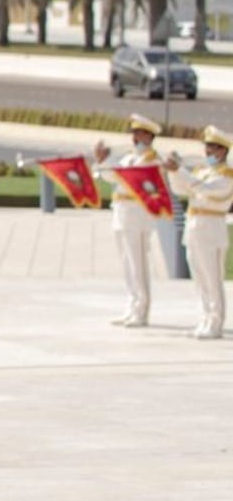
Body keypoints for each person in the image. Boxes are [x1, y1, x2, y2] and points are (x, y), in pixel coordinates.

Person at [95, 113, 166, 327]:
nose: (135, 138)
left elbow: (126, 176)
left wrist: (108, 162)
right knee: (127, 262)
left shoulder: (151, 160)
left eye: (139, 134)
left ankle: (141, 309)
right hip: (122, 212)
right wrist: (102, 160)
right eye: (134, 133)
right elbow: (111, 176)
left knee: (138, 265)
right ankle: (131, 305)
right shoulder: (129, 157)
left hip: (138, 215)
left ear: (149, 136)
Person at [165, 126, 233, 339]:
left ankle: (216, 322)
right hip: (194, 224)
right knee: (199, 277)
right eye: (207, 147)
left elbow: (205, 189)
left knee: (212, 278)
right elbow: (181, 189)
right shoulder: (202, 170)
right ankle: (204, 318)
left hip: (212, 227)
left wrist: (180, 171)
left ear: (223, 151)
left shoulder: (227, 175)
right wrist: (173, 171)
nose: (209, 152)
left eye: (213, 148)